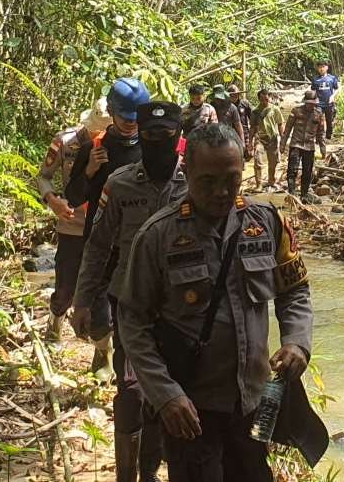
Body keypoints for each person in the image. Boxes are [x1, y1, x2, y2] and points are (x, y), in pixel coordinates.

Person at [116, 123, 313, 482]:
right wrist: (165, 395)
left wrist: (297, 341)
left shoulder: (267, 223)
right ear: (186, 172)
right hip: (190, 409)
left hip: (254, 402)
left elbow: (295, 290)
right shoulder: (158, 236)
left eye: (232, 179)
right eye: (208, 181)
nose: (222, 191)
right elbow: (132, 320)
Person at [72, 102, 186, 482]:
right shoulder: (119, 184)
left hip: (182, 309)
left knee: (168, 391)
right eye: (149, 137)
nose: (155, 144)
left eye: (164, 137)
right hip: (130, 305)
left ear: (177, 138)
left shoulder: (195, 184)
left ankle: (151, 470)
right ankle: (127, 475)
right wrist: (83, 300)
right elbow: (98, 246)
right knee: (132, 392)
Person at [65, 77, 151, 377]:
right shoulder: (94, 146)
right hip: (102, 240)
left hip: (140, 241)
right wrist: (89, 169)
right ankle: (103, 351)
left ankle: (133, 365)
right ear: (112, 113)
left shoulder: (153, 146)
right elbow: (73, 197)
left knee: (139, 303)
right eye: (126, 119)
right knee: (98, 301)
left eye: (136, 119)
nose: (131, 125)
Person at [36, 98, 112, 342]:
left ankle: (103, 352)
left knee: (105, 292)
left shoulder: (119, 145)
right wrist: (53, 201)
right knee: (66, 286)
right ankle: (55, 323)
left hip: (107, 227)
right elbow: (43, 177)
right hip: (73, 226)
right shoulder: (65, 142)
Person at [280, 91, 327, 201]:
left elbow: (321, 133)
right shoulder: (296, 111)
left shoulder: (319, 114)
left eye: (312, 103)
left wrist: (323, 148)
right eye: (308, 103)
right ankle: (292, 193)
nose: (310, 105)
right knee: (292, 170)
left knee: (308, 171)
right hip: (296, 144)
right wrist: (282, 144)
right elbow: (287, 129)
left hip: (309, 147)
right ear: (305, 102)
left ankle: (304, 194)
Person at [250, 89, 284, 191]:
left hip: (272, 138)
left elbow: (280, 123)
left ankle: (271, 181)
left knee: (273, 161)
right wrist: (250, 142)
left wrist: (283, 138)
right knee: (258, 161)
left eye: (266, 99)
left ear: (269, 98)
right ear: (259, 99)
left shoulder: (275, 109)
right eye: (261, 99)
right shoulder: (255, 111)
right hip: (260, 138)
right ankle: (259, 184)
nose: (264, 101)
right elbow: (252, 127)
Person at [311, 61, 340, 140]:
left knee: (329, 121)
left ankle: (328, 136)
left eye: (323, 67)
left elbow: (337, 89)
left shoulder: (332, 78)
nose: (321, 69)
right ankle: (319, 137)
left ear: (327, 67)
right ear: (317, 68)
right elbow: (313, 91)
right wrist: (314, 99)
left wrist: (333, 96)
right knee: (318, 120)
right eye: (319, 67)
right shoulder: (315, 79)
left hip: (329, 103)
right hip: (319, 104)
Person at [227, 85, 254, 158]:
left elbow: (253, 118)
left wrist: (254, 132)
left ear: (238, 94)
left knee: (248, 154)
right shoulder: (226, 106)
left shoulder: (245, 103)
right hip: (231, 134)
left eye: (235, 94)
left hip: (245, 133)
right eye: (231, 95)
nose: (234, 96)